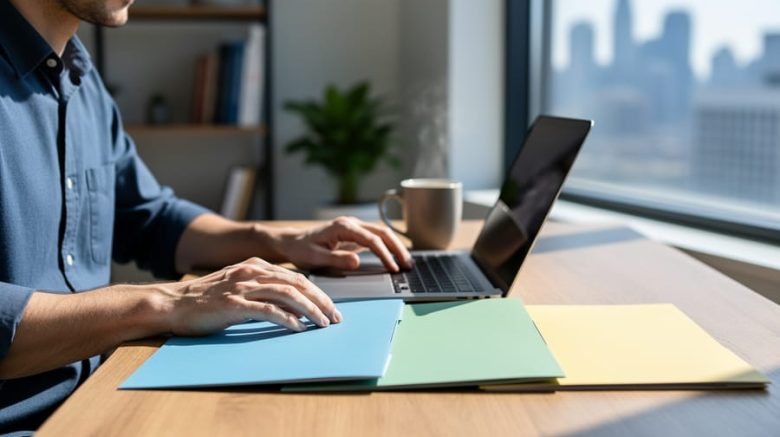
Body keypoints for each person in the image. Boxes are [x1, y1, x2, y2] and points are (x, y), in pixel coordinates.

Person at [0, 0, 413, 432]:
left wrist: (275, 241)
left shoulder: (81, 79)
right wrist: (165, 303)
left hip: (102, 395)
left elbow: (149, 217)